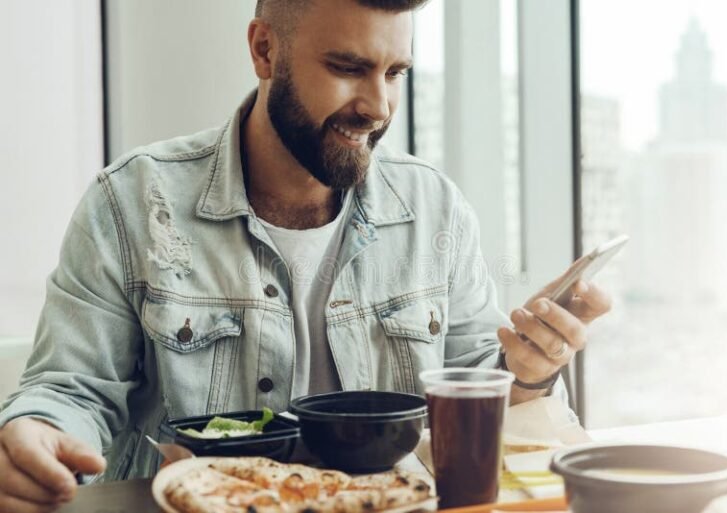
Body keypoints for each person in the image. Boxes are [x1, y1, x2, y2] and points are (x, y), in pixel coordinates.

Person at [0, 0, 611, 510]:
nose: (378, 106)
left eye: (395, 71)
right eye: (348, 67)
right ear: (265, 50)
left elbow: (471, 381)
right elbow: (72, 388)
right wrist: (39, 433)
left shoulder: (435, 208)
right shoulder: (131, 201)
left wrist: (530, 369)